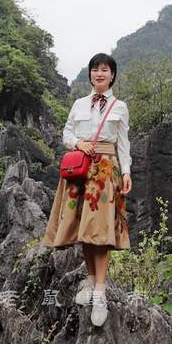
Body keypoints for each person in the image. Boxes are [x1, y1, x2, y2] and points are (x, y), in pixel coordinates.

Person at [43, 53, 132, 326]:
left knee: (101, 233)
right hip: (81, 171)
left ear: (112, 75)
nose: (99, 74)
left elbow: (123, 143)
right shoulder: (79, 104)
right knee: (84, 229)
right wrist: (77, 143)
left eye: (104, 70)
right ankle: (91, 281)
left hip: (106, 172)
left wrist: (126, 172)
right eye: (95, 69)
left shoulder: (120, 107)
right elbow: (67, 133)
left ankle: (100, 293)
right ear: (90, 75)